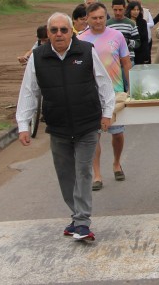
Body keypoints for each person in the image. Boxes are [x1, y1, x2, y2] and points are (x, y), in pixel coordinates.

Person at [16, 12, 115, 241]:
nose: (59, 34)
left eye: (63, 29)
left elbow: (104, 83)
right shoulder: (37, 57)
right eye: (54, 30)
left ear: (71, 31)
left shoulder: (86, 51)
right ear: (47, 34)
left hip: (87, 124)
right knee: (65, 174)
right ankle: (76, 214)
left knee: (83, 171)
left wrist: (107, 113)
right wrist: (23, 124)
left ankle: (82, 222)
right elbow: (29, 92)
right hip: (58, 126)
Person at [78, 3, 131, 190]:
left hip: (115, 93)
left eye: (101, 17)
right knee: (94, 136)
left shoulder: (117, 36)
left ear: (105, 17)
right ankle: (97, 175)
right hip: (91, 95)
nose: (98, 21)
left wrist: (131, 87)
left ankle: (116, 163)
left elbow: (126, 63)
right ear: (87, 19)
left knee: (117, 133)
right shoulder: (81, 39)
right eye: (94, 18)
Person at [107, 0, 140, 64]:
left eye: (120, 10)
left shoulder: (131, 24)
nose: (117, 12)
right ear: (112, 8)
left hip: (128, 60)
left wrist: (127, 41)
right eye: (115, 10)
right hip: (112, 61)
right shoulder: (107, 24)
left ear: (125, 8)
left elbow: (138, 43)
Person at [127, 0, 155, 64]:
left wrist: (146, 56)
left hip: (141, 54)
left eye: (137, 10)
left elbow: (145, 40)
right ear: (129, 10)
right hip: (128, 53)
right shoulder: (125, 22)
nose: (136, 12)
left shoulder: (143, 22)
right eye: (133, 10)